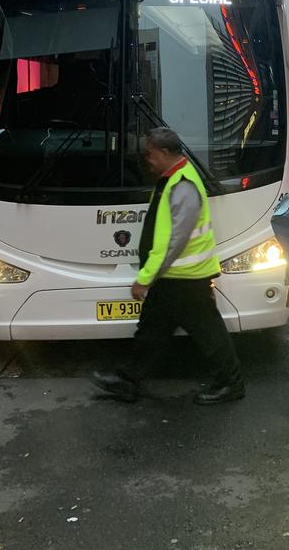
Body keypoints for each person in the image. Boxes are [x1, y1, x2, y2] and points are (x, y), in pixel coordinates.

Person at [93, 127, 244, 404]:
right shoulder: (172, 179)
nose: (145, 159)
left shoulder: (183, 185)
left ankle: (231, 384)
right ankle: (129, 381)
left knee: (208, 333)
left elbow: (173, 240)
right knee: (151, 330)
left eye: (149, 153)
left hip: (186, 278)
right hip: (174, 276)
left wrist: (146, 278)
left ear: (164, 152)